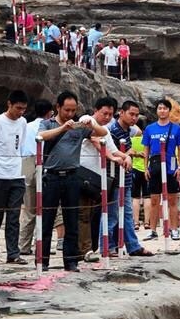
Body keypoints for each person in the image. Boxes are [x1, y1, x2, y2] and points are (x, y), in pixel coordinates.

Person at [38, 91, 108, 271]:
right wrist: (63, 128)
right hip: (52, 176)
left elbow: (103, 132)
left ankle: (70, 261)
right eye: (67, 110)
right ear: (58, 107)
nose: (70, 114)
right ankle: (42, 261)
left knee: (72, 221)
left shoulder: (79, 127)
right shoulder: (48, 123)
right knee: (47, 220)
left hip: (72, 177)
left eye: (73, 110)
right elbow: (41, 136)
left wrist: (90, 122)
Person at [77, 97, 129, 261]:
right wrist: (113, 158)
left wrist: (126, 157)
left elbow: (113, 149)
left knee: (93, 214)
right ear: (96, 110)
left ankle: (91, 248)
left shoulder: (105, 129)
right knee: (83, 213)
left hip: (97, 180)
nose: (107, 117)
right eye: (104, 113)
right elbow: (96, 142)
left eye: (110, 114)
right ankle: (83, 250)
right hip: (83, 174)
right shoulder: (87, 121)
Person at [0, 91, 29, 264]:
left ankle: (13, 253)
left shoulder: (23, 122)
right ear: (9, 104)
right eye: (18, 108)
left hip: (16, 174)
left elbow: (21, 145)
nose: (21, 112)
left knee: (14, 216)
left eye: (24, 109)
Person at [108, 101, 154, 257]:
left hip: (126, 178)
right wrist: (129, 153)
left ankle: (125, 246)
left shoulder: (127, 131)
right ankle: (112, 247)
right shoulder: (113, 131)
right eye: (131, 114)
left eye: (136, 115)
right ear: (121, 113)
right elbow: (111, 153)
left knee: (123, 214)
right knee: (115, 214)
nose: (134, 118)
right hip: (115, 179)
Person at [142, 99, 180, 241]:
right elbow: (146, 148)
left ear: (169, 110)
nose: (162, 111)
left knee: (173, 200)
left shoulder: (176, 128)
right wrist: (145, 168)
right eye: (159, 108)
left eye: (165, 108)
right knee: (154, 200)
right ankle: (153, 230)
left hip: (171, 167)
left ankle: (174, 229)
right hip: (154, 168)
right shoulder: (149, 129)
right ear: (156, 111)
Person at [18, 99, 55, 256]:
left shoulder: (26, 125)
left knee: (29, 208)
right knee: (46, 207)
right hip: (43, 162)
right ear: (49, 113)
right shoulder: (48, 127)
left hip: (25, 164)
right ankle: (41, 244)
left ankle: (23, 246)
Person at [130, 118, 150, 230]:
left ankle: (136, 223)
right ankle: (147, 223)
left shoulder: (131, 139)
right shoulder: (147, 140)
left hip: (135, 169)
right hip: (147, 169)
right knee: (147, 196)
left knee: (135, 197)